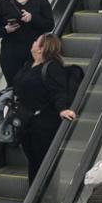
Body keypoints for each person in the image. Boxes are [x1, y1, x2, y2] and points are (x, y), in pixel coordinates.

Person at [12, 31, 82, 169]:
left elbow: (59, 91)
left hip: (42, 125)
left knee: (42, 164)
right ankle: (34, 189)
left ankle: (44, 189)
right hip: (26, 122)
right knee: (33, 162)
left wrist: (63, 109)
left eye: (36, 41)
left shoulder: (52, 67)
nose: (32, 43)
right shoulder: (28, 64)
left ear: (41, 48)